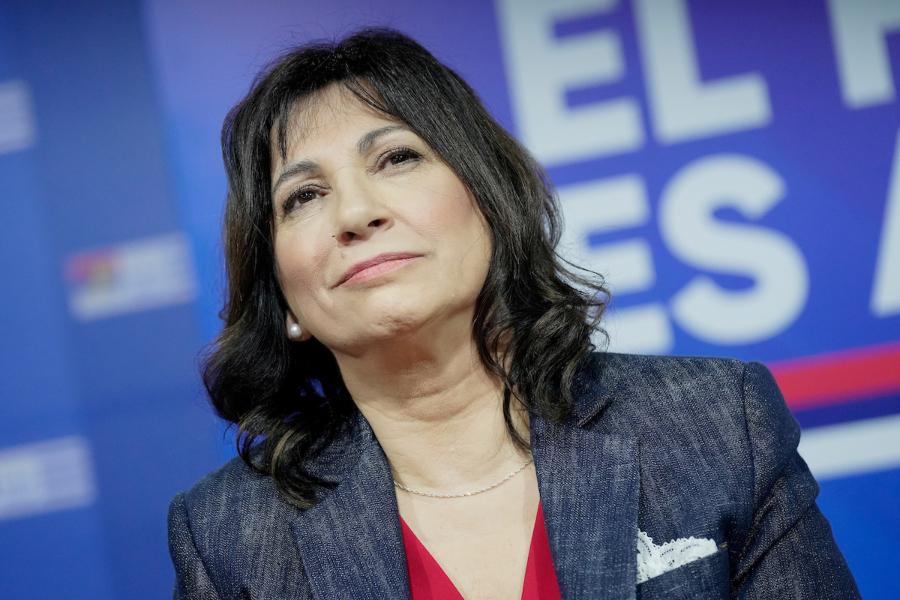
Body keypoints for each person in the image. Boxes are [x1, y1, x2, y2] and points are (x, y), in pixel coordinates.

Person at [167, 27, 860, 599]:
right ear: (287, 304)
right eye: (303, 197)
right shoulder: (231, 536)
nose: (354, 213)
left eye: (397, 157)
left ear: (491, 204)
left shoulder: (713, 425)